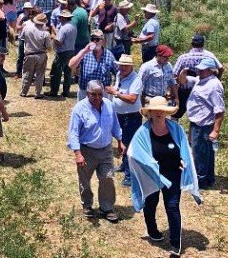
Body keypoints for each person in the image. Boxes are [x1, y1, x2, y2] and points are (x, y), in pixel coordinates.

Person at [128, 96, 201, 258]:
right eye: (155, 110)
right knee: (151, 202)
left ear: (166, 112)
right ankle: (152, 230)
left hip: (173, 174)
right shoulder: (142, 132)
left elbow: (184, 149)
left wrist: (183, 160)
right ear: (150, 113)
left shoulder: (176, 129)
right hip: (152, 176)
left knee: (172, 206)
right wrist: (149, 164)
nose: (159, 112)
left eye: (162, 110)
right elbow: (132, 153)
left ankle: (175, 243)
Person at [67, 80, 123, 223]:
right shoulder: (79, 108)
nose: (97, 97)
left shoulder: (109, 105)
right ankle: (87, 205)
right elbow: (73, 133)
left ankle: (107, 208)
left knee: (107, 178)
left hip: (106, 150)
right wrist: (78, 153)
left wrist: (120, 141)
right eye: (93, 94)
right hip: (87, 151)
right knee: (85, 180)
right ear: (87, 93)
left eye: (100, 94)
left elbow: (115, 125)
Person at [178, 58, 225, 189]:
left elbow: (219, 110)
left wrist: (215, 130)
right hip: (197, 123)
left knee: (200, 154)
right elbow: (184, 81)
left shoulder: (214, 86)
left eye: (202, 69)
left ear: (210, 70)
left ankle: (200, 181)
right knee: (205, 153)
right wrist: (183, 72)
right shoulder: (200, 80)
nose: (199, 70)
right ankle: (208, 178)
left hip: (204, 125)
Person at [105, 54, 143, 187]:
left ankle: (130, 176)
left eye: (125, 66)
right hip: (119, 115)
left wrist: (115, 93)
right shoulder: (120, 75)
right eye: (121, 65)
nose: (122, 68)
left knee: (129, 145)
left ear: (131, 66)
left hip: (131, 116)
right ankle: (124, 166)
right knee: (122, 142)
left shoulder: (136, 79)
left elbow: (132, 99)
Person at [172, 34, 224, 121]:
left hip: (184, 89)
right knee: (200, 115)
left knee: (175, 114)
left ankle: (174, 132)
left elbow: (174, 75)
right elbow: (221, 68)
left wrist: (177, 85)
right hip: (204, 88)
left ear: (191, 43)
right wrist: (217, 78)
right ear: (203, 44)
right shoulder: (209, 56)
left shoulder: (183, 57)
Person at [68, 30, 118, 101]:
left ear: (103, 41)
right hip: (85, 92)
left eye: (97, 39)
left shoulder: (109, 55)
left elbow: (118, 72)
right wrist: (84, 52)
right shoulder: (85, 53)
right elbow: (71, 65)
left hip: (102, 94)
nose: (94, 41)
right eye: (92, 39)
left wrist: (115, 87)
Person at [20, 13, 51, 98]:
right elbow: (48, 46)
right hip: (41, 55)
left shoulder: (26, 28)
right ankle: (38, 93)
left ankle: (23, 92)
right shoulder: (45, 33)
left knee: (27, 74)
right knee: (40, 75)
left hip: (29, 54)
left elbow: (22, 38)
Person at [47, 9, 77, 98]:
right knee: (68, 72)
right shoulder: (73, 26)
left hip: (62, 52)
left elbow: (59, 41)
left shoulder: (64, 28)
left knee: (56, 71)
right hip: (71, 50)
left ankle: (54, 91)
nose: (59, 19)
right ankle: (66, 91)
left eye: (60, 17)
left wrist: (53, 38)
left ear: (64, 18)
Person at [14, 2, 35, 79]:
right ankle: (18, 72)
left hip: (31, 38)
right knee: (21, 56)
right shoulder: (21, 16)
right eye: (27, 9)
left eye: (29, 9)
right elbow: (17, 26)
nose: (28, 10)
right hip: (22, 38)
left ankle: (30, 73)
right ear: (24, 9)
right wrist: (23, 26)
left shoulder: (33, 16)